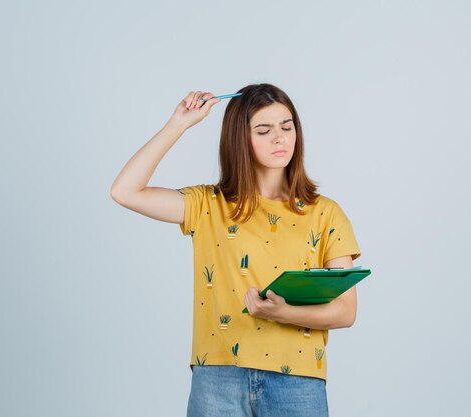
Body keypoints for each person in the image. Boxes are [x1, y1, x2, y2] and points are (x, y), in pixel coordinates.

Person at [110, 83, 362, 417]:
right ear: (240, 138)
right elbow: (125, 191)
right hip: (218, 375)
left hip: (298, 379)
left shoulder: (325, 212)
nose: (280, 138)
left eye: (288, 127)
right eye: (264, 130)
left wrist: (283, 313)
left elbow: (346, 311)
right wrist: (178, 124)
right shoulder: (207, 205)